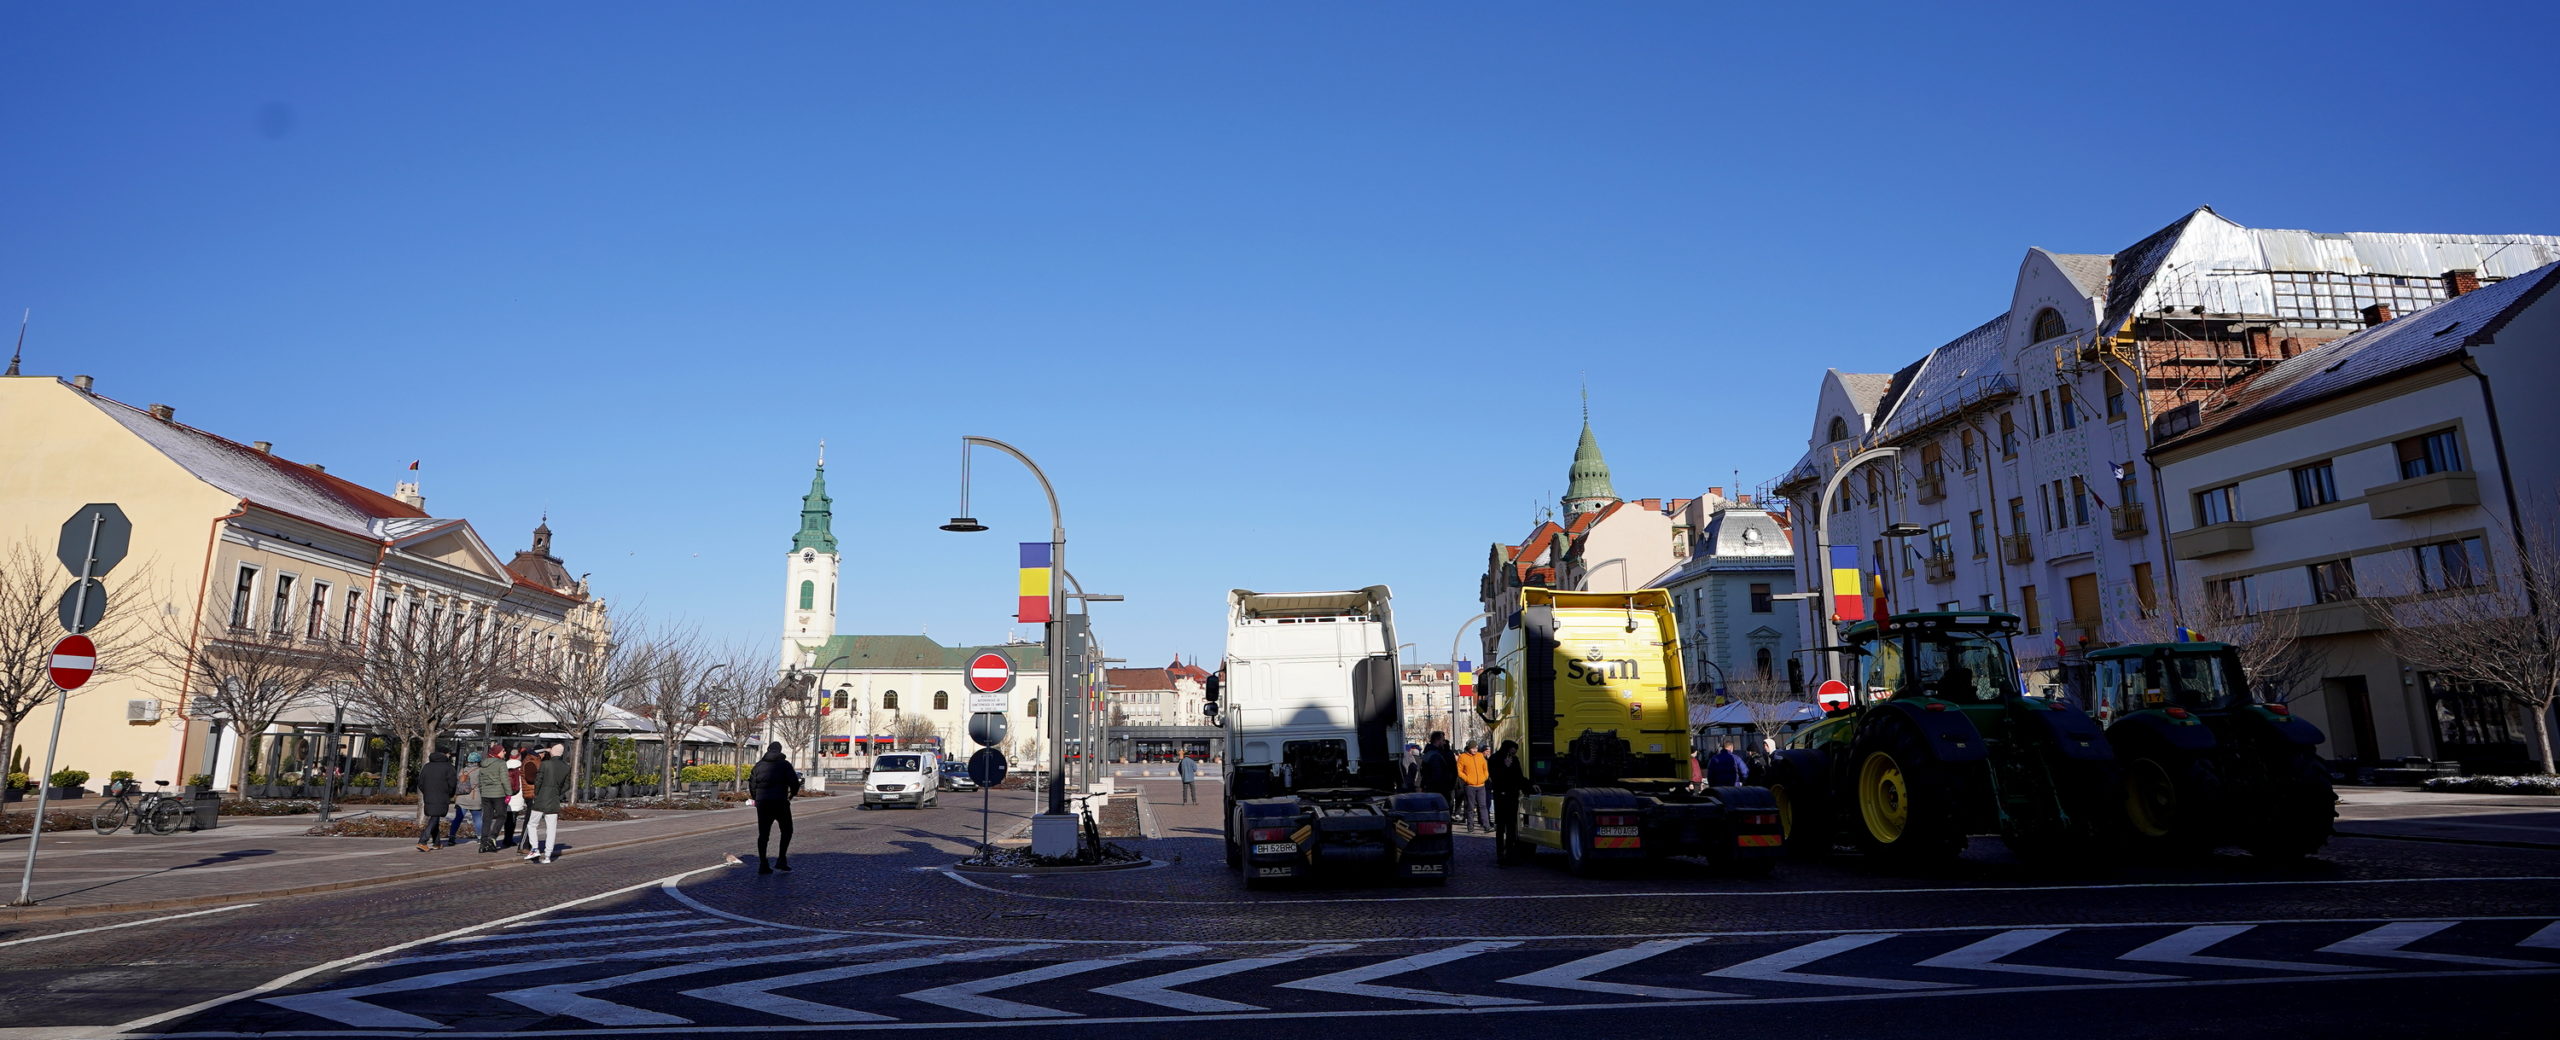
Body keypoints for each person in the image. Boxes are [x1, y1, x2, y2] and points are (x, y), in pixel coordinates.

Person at [747, 741, 802, 874]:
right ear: (780, 750)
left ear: (768, 749)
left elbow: (752, 785)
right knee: (787, 830)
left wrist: (757, 798)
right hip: (780, 802)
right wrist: (792, 795)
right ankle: (781, 859)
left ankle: (763, 864)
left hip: (763, 803)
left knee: (763, 834)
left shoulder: (758, 766)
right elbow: (794, 782)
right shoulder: (785, 765)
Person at [524, 743, 570, 863]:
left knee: (532, 824)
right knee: (551, 828)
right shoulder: (566, 767)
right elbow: (567, 785)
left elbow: (538, 780)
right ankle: (548, 855)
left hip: (542, 797)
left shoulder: (545, 764)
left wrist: (538, 793)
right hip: (554, 799)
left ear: (552, 752)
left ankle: (535, 848)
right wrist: (557, 792)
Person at [1489, 739, 1525, 865]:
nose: (1513, 754)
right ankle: (1500, 855)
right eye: (1512, 751)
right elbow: (1495, 777)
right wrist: (1505, 766)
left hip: (1512, 797)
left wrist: (1530, 785)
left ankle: (1510, 853)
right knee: (1501, 827)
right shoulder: (1495, 759)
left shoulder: (1514, 760)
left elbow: (1519, 777)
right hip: (1501, 797)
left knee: (1511, 826)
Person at [416, 750, 456, 852]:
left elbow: (420, 782)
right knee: (434, 817)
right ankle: (423, 840)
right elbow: (452, 783)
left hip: (429, 796)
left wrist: (427, 791)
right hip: (442, 795)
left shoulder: (427, 766)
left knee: (435, 817)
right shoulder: (448, 767)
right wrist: (449, 794)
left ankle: (437, 842)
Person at [474, 744, 511, 853]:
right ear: (498, 752)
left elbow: (480, 781)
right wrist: (509, 793)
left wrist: (482, 792)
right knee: (501, 816)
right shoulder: (501, 763)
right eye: (503, 751)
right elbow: (505, 779)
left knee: (487, 818)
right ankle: (492, 837)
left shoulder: (483, 764)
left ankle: (483, 843)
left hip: (486, 795)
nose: (505, 753)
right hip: (498, 794)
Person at [445, 750, 482, 847]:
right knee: (477, 819)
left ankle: (452, 837)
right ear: (478, 761)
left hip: (461, 798)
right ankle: (480, 838)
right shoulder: (480, 771)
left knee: (458, 818)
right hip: (475, 798)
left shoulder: (462, 770)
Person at [1418, 731, 1457, 814]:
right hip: (1437, 790)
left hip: (1433, 788)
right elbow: (1437, 775)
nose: (1444, 742)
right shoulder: (1434, 755)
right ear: (1438, 740)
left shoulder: (1430, 753)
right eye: (1442, 740)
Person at [1455, 743, 1490, 830]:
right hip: (1470, 786)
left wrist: (1485, 777)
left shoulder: (1480, 756)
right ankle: (1470, 825)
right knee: (1470, 806)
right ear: (1469, 748)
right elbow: (1459, 770)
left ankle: (1486, 825)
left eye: (1476, 748)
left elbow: (1485, 768)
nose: (1475, 750)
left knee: (1483, 806)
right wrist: (1467, 779)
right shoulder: (1463, 757)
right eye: (1473, 748)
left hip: (1481, 785)